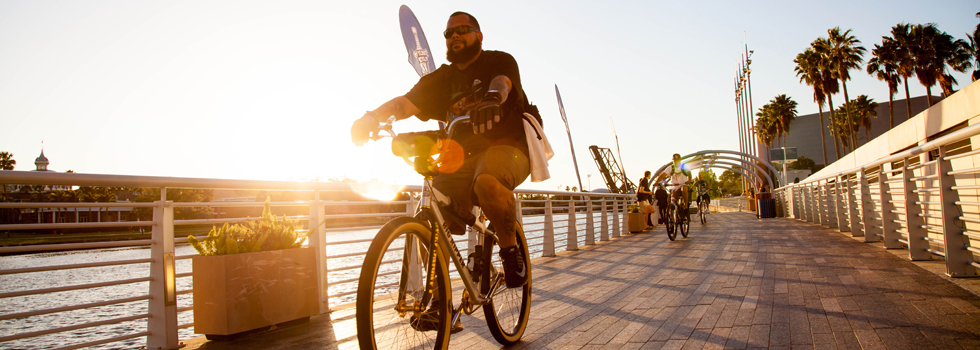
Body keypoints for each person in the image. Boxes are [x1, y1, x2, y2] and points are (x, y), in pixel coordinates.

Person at [351, 11, 532, 290]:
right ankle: (437, 300)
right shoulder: (441, 80)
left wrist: (493, 98)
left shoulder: (498, 60)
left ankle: (510, 253)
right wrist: (371, 117)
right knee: (435, 221)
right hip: (462, 155)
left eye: (463, 30)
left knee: (487, 183)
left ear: (478, 36)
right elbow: (403, 104)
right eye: (449, 33)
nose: (455, 36)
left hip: (508, 145)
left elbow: (502, 82)